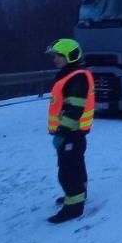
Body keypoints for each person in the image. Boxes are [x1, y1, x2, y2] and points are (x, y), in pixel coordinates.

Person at [46, 38, 94, 224]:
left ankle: (74, 206)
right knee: (76, 164)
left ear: (69, 56)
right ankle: (79, 193)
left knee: (67, 170)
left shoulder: (76, 77)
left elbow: (74, 109)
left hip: (71, 132)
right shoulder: (71, 74)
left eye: (58, 56)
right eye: (55, 56)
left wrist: (62, 132)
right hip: (74, 132)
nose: (55, 59)